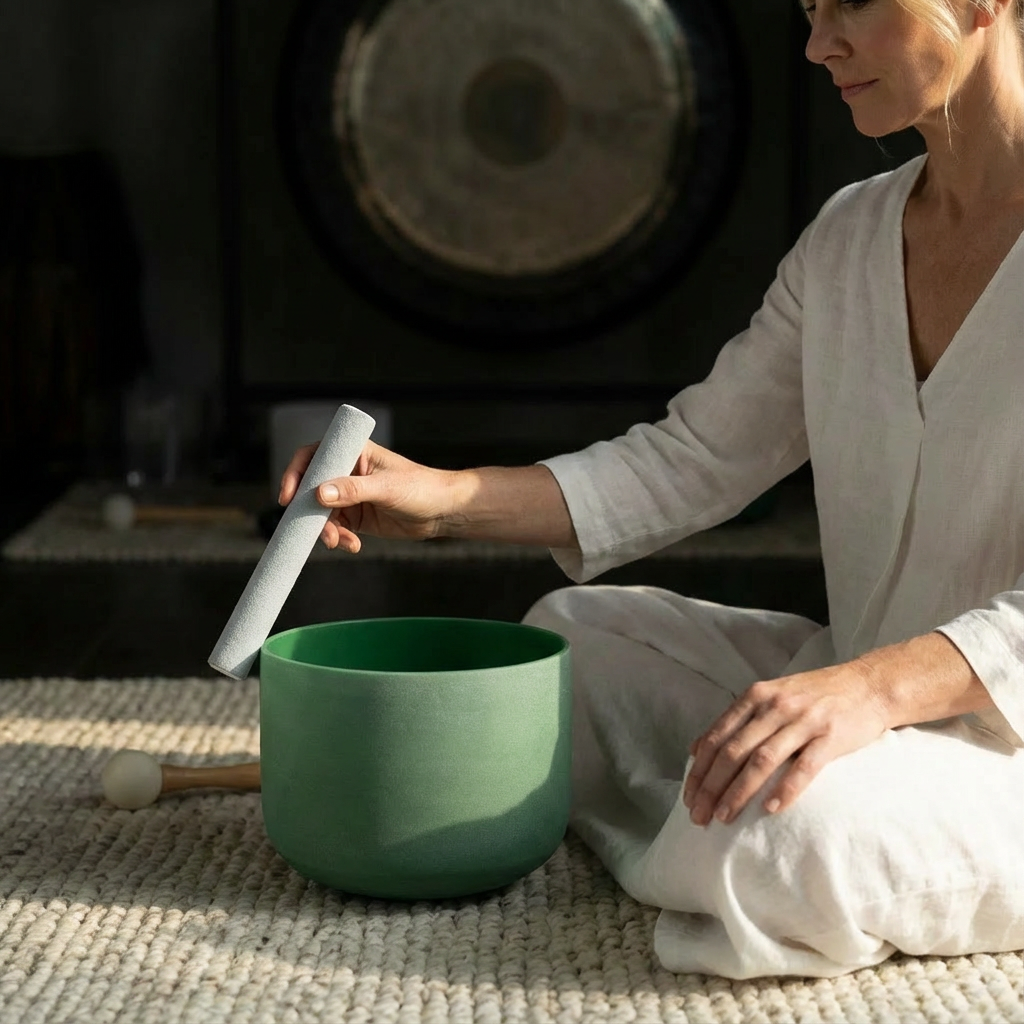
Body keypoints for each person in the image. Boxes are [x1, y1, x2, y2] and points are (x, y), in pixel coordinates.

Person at [279, 0, 1024, 980]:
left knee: (782, 829)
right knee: (571, 644)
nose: (816, 45)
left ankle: (733, 836)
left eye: (850, 2)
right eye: (808, 10)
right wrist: (445, 497)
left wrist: (867, 690)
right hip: (851, 691)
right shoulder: (849, 236)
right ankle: (724, 831)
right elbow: (692, 458)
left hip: (998, 751)